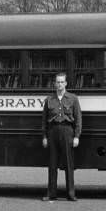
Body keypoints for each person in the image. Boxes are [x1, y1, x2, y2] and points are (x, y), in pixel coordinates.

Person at [41, 72, 82, 201]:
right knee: (52, 164)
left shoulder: (73, 98)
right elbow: (44, 121)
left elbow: (78, 119)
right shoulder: (49, 100)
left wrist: (76, 136)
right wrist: (44, 137)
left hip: (67, 131)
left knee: (69, 164)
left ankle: (71, 194)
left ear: (66, 83)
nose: (59, 84)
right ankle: (51, 193)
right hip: (53, 131)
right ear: (54, 84)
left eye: (61, 82)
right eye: (57, 82)